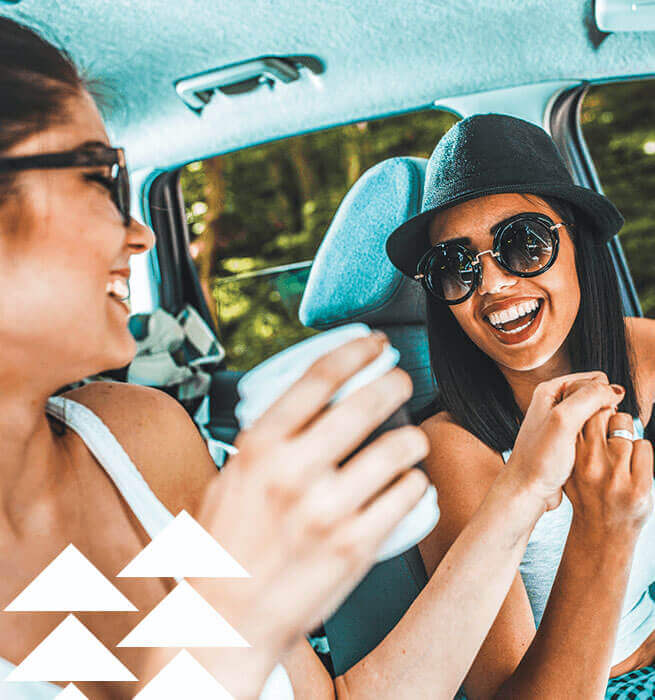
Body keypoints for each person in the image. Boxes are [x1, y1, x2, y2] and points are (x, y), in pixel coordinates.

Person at [0, 18, 646, 700]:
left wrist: (522, 494)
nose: (136, 233)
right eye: (102, 178)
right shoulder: (449, 444)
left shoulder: (140, 434)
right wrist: (243, 614)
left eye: (522, 245)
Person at [385, 113, 655, 698]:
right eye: (455, 267)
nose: (492, 285)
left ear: (578, 243)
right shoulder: (453, 450)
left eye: (523, 244)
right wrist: (600, 526)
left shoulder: (641, 352)